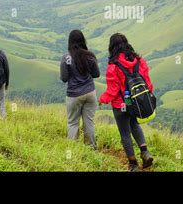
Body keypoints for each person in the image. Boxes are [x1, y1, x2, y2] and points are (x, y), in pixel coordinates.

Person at [99, 33, 154, 172]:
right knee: (135, 125)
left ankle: (133, 164)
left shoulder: (113, 66)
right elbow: (147, 83)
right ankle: (145, 152)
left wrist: (102, 100)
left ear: (111, 47)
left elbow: (113, 90)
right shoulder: (139, 60)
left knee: (125, 133)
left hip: (121, 104)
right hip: (136, 103)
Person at [60, 30, 100, 148]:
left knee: (72, 123)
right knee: (89, 123)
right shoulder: (90, 55)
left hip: (73, 95)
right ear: (83, 40)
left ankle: (73, 151)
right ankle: (91, 149)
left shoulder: (66, 57)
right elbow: (96, 74)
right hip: (90, 93)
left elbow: (64, 78)